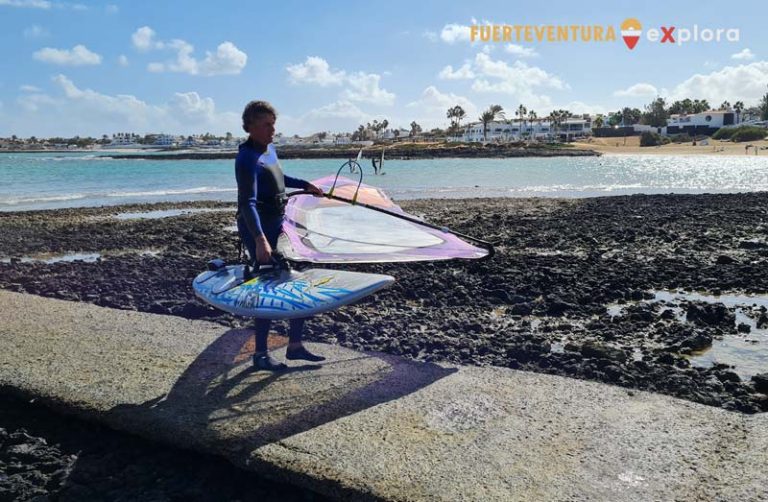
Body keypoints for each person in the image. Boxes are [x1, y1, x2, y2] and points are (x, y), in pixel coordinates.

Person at [236, 100, 325, 371]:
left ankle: (295, 346)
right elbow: (247, 203)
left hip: (278, 224)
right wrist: (261, 240)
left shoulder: (268, 150)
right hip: (258, 229)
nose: (272, 130)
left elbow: (278, 177)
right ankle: (260, 354)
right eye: (266, 125)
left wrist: (304, 185)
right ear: (250, 127)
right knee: (265, 289)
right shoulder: (246, 158)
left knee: (295, 281)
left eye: (273, 125)